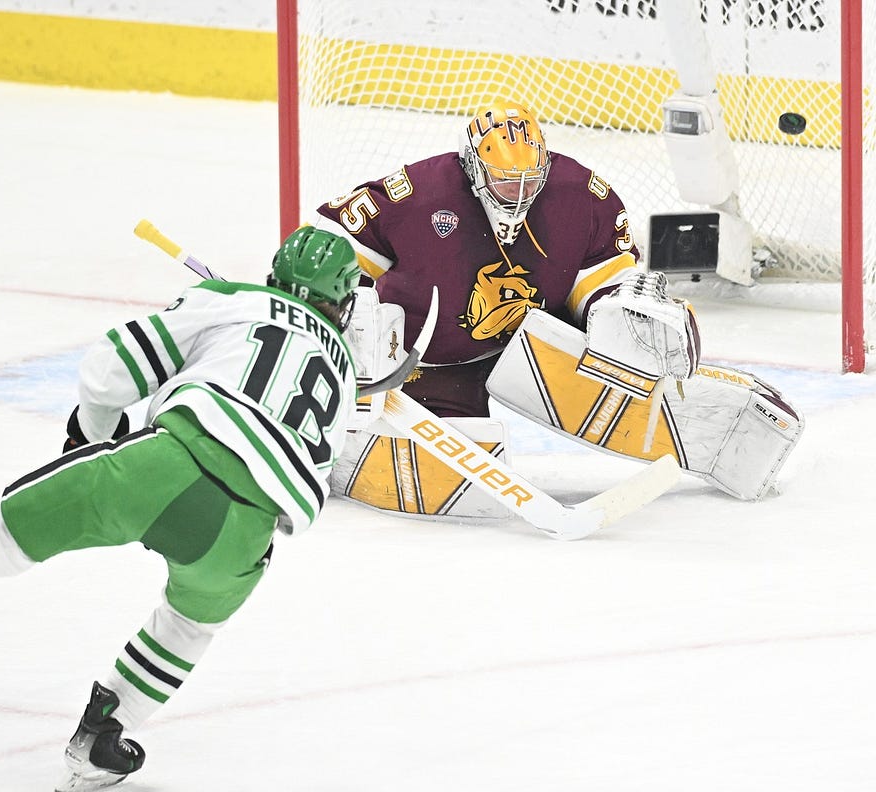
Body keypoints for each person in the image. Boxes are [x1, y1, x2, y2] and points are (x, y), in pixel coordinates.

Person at [0, 226, 363, 792]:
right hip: (244, 536)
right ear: (342, 300)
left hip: (162, 468)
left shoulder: (235, 300)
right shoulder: (341, 369)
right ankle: (103, 736)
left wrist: (91, 436)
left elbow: (116, 363)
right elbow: (308, 484)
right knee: (190, 624)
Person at [315, 102, 801, 512]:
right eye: (506, 183)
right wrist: (348, 314)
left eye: (530, 180)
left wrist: (624, 310)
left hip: (538, 345)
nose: (521, 194)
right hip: (429, 364)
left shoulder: (582, 196)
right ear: (472, 169)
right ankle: (322, 441)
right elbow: (329, 247)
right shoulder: (420, 194)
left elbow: (604, 277)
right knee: (453, 485)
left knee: (622, 355)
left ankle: (724, 437)